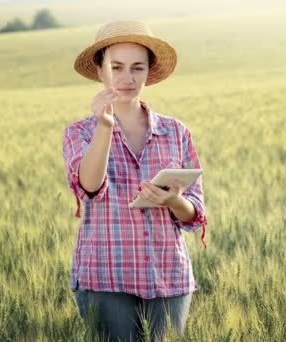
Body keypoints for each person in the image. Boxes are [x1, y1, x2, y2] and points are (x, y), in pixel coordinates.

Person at [62, 21, 208, 341]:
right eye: (116, 67)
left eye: (137, 68)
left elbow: (194, 214)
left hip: (167, 275)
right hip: (106, 275)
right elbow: (89, 187)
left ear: (148, 72)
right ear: (100, 70)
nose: (127, 78)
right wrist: (105, 125)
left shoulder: (176, 132)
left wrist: (173, 201)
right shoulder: (80, 132)